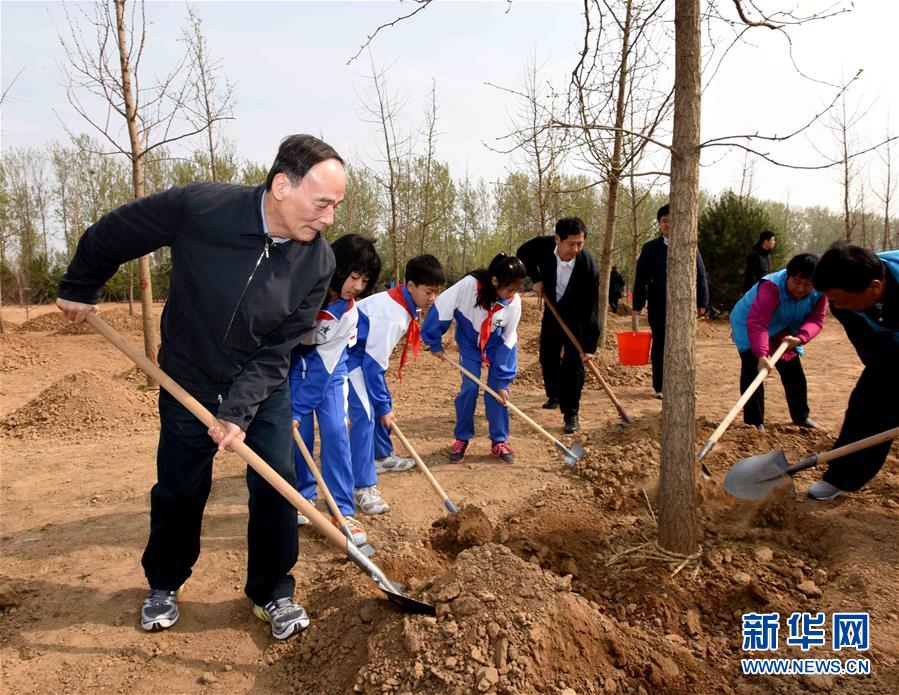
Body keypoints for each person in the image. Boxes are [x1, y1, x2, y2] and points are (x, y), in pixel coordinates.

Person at [55, 135, 345, 640]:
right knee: (180, 486)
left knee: (276, 481)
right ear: (281, 186)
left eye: (336, 206)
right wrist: (81, 285)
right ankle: (165, 582)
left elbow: (280, 348)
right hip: (187, 374)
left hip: (260, 383)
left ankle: (273, 590)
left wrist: (237, 411)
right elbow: (118, 231)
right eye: (322, 203)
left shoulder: (317, 263)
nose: (328, 219)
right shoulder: (202, 208)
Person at [289, 234, 381, 547]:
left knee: (335, 431)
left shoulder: (349, 313)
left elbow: (324, 368)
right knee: (296, 435)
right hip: (290, 366)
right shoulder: (301, 290)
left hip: (329, 371)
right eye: (354, 276)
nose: (358, 286)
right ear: (337, 267)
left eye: (365, 280)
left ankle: (342, 510)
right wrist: (294, 410)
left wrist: (300, 408)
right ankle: (302, 498)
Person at [346, 254, 445, 514]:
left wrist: (384, 403)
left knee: (381, 402)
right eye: (429, 291)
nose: (433, 298)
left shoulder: (402, 304)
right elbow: (371, 366)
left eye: (437, 292)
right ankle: (362, 486)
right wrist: (383, 407)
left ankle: (380, 456)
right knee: (367, 414)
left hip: (363, 358)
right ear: (410, 286)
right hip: (348, 359)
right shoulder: (391, 314)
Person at [806, 242, 899, 501]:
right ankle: (841, 477)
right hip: (890, 343)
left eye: (842, 299)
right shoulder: (843, 303)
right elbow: (875, 355)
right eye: (833, 299)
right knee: (867, 403)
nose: (838, 306)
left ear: (875, 287)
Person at [422, 254, 527, 463]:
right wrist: (434, 340)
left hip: (497, 347)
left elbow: (509, 339)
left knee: (498, 393)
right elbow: (442, 306)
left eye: (516, 290)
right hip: (470, 345)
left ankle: (499, 441)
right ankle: (462, 438)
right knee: (470, 388)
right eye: (510, 289)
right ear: (495, 280)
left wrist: (504, 380)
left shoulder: (513, 303)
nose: (512, 295)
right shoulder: (468, 286)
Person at [516, 217, 599, 434]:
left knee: (573, 364)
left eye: (580, 244)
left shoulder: (588, 266)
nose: (576, 249)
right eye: (571, 244)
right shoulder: (543, 245)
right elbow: (522, 253)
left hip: (577, 318)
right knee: (548, 356)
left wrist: (590, 346)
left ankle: (571, 413)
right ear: (557, 239)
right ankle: (554, 395)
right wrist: (536, 279)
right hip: (553, 310)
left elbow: (592, 308)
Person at [729, 253, 826, 431]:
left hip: (784, 330)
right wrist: (761, 354)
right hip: (749, 324)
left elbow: (817, 319)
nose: (801, 289)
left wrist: (800, 338)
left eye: (808, 284)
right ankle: (754, 423)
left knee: (793, 372)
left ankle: (801, 416)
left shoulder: (821, 291)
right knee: (754, 370)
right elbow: (758, 323)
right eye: (797, 282)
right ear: (788, 276)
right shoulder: (771, 286)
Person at [632, 203, 709, 399]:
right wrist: (638, 303)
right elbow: (640, 277)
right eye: (665, 221)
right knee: (660, 344)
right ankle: (660, 386)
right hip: (658, 304)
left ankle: (685, 386)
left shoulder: (689, 246)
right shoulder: (650, 248)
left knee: (684, 345)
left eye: (672, 221)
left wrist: (702, 301)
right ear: (659, 224)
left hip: (684, 304)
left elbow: (700, 274)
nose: (668, 224)